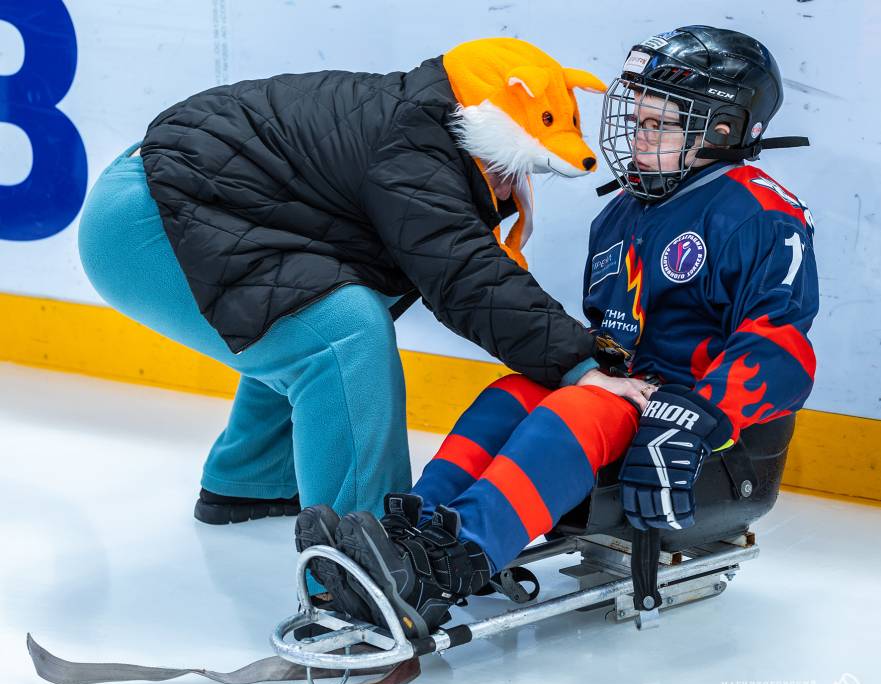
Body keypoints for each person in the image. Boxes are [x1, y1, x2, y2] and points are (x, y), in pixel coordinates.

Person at [296, 25, 820, 638]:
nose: (639, 135)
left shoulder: (760, 211)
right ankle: (407, 534)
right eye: (640, 119)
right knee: (511, 394)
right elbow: (611, 335)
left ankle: (454, 557)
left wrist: (702, 415)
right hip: (628, 397)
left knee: (578, 408)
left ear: (723, 131)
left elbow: (781, 343)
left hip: (703, 431)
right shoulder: (622, 212)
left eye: (661, 124)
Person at [77, 38, 611, 537]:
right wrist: (581, 365)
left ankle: (254, 476)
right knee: (343, 332)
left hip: (190, 192)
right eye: (515, 164)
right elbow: (467, 275)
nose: (514, 184)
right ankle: (365, 552)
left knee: (309, 307)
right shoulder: (415, 151)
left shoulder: (423, 124)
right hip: (146, 218)